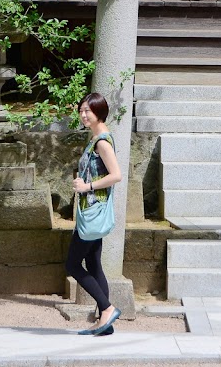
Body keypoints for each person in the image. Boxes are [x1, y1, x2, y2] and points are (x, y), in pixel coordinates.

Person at [66, 92, 122, 336]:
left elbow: (116, 175)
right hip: (91, 211)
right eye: (81, 110)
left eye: (87, 110)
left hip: (92, 212)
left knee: (72, 265)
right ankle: (104, 324)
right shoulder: (97, 139)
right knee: (93, 264)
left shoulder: (102, 142)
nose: (83, 115)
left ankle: (107, 309)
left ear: (99, 112)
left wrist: (87, 186)